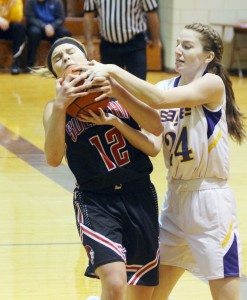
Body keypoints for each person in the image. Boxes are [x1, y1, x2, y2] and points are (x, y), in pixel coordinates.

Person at [81, 22, 246, 300]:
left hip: (210, 203)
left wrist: (111, 69)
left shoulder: (212, 84)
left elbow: (159, 100)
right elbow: (153, 145)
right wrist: (114, 119)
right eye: (178, 44)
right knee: (150, 294)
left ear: (208, 57)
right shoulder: (164, 85)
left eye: (188, 46)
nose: (179, 50)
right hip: (175, 202)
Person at [42, 37, 164, 300]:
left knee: (143, 292)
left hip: (139, 194)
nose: (65, 58)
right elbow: (53, 158)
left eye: (70, 52)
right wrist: (62, 105)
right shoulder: (54, 108)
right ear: (56, 75)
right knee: (115, 283)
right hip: (95, 200)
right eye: (57, 58)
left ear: (87, 59)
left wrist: (116, 94)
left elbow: (155, 129)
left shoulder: (118, 88)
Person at [83, 0, 161, 80]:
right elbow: (89, 14)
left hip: (135, 44)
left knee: (137, 82)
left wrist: (155, 39)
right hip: (108, 45)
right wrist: (89, 42)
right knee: (110, 85)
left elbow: (151, 13)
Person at [25, 0, 71, 69]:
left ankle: (64, 63)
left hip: (53, 28)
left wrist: (52, 26)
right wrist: (43, 26)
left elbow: (61, 18)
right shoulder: (30, 1)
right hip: (37, 27)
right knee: (33, 32)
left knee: (65, 33)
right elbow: (30, 18)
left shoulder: (57, 1)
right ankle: (30, 64)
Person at [0, 0, 26, 74]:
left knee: (20, 27)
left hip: (9, 27)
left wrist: (13, 5)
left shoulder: (17, 1)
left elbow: (17, 18)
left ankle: (15, 63)